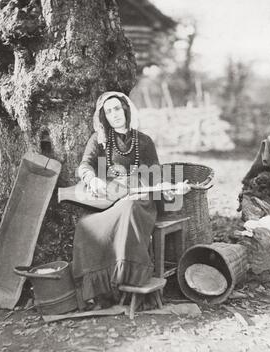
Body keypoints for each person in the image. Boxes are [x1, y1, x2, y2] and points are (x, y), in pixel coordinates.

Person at [72, 91, 187, 310]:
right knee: (86, 225)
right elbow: (84, 164)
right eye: (108, 111)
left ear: (126, 110)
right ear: (104, 116)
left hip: (140, 201)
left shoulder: (143, 141)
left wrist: (168, 190)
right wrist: (92, 179)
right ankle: (103, 292)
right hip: (110, 200)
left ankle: (128, 281)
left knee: (129, 206)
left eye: (117, 109)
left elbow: (156, 176)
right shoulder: (99, 139)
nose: (114, 114)